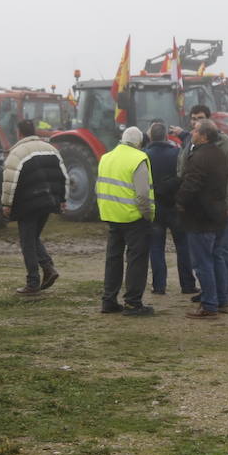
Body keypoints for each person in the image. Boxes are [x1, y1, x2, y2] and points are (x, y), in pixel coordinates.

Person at [178, 105, 228, 308]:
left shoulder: (222, 145)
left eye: (199, 120)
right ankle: (215, 293)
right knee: (213, 255)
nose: (194, 125)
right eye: (193, 119)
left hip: (213, 209)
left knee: (221, 252)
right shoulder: (191, 143)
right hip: (208, 207)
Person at [1, 118, 67, 296]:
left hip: (28, 203)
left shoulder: (16, 153)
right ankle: (48, 268)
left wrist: (6, 204)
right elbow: (63, 175)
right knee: (33, 237)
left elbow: (9, 181)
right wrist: (62, 198)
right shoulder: (51, 149)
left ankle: (33, 283)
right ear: (35, 130)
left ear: (19, 133)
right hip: (49, 201)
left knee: (27, 242)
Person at [96, 126, 156, 316]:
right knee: (136, 260)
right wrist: (148, 215)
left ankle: (109, 300)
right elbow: (143, 194)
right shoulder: (138, 158)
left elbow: (98, 187)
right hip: (133, 217)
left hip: (111, 216)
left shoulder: (106, 158)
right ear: (139, 143)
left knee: (113, 259)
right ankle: (132, 303)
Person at [144, 121, 195, 294]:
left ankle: (159, 286)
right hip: (175, 206)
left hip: (155, 206)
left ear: (150, 136)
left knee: (156, 248)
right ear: (166, 136)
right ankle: (187, 285)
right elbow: (184, 176)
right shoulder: (177, 153)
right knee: (183, 246)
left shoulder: (145, 155)